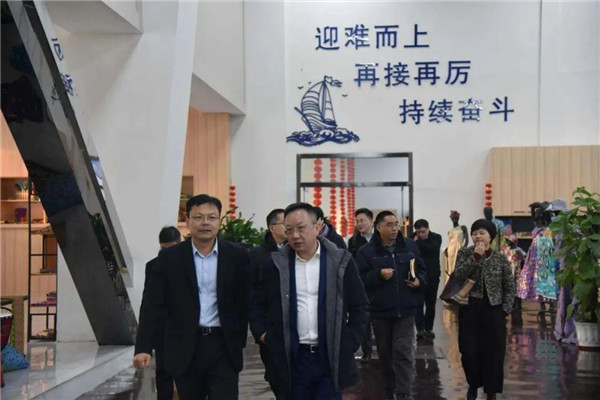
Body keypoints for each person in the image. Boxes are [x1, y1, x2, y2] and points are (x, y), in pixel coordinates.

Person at [133, 194, 250, 400]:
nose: (205, 223)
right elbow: (153, 305)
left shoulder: (237, 256)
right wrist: (143, 347)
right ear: (187, 221)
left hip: (223, 345)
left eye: (211, 217)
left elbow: (245, 299)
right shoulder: (169, 259)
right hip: (185, 346)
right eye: (198, 217)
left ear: (219, 221)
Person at [250, 202, 369, 400]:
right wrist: (265, 337)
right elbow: (256, 305)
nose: (295, 235)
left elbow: (360, 306)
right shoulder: (275, 265)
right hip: (292, 357)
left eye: (301, 228)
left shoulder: (340, 262)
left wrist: (350, 341)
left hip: (329, 357)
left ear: (318, 226)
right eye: (289, 230)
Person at [356, 210, 427, 400]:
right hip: (380, 312)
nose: (395, 228)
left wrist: (419, 281)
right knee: (386, 355)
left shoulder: (410, 246)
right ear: (378, 227)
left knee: (403, 351)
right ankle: (390, 390)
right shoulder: (366, 252)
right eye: (389, 225)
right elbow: (359, 279)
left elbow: (422, 269)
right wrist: (378, 275)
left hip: (406, 309)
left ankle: (404, 393)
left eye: (396, 224)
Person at [453, 219, 515, 400]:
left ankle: (491, 391)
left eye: (482, 233)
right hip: (469, 309)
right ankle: (473, 384)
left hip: (494, 310)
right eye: (475, 233)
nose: (478, 236)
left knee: (494, 354)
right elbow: (459, 275)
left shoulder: (500, 258)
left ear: (491, 237)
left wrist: (505, 309)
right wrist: (476, 256)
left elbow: (509, 286)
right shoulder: (465, 253)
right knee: (469, 352)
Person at [135, 226, 181, 400]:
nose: (168, 253)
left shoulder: (191, 263)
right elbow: (148, 304)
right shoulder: (153, 266)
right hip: (164, 330)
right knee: (164, 374)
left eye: (171, 248)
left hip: (187, 327)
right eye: (164, 248)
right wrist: (143, 346)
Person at [249, 208, 286, 381]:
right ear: (272, 228)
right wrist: (260, 331)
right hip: (270, 328)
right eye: (285, 223)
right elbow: (251, 292)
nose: (289, 227)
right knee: (275, 376)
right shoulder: (257, 254)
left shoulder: (296, 250)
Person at [347, 207, 375, 362]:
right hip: (362, 284)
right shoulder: (354, 241)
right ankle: (367, 351)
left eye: (363, 220)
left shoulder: (380, 238)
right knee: (365, 319)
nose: (360, 224)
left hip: (380, 283)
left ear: (371, 221)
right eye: (357, 221)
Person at [412, 219, 442, 340]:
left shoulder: (436, 237)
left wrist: (417, 242)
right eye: (418, 232)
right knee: (418, 304)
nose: (420, 234)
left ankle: (429, 328)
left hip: (432, 276)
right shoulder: (411, 238)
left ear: (428, 229)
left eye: (423, 232)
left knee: (431, 304)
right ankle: (420, 329)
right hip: (418, 276)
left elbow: (431, 249)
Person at [442, 210, 469, 283]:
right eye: (453, 218)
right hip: (451, 251)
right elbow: (450, 242)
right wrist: (447, 249)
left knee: (458, 268)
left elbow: (466, 240)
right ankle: (450, 286)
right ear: (451, 218)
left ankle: (458, 286)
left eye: (456, 218)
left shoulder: (463, 228)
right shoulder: (449, 231)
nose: (454, 220)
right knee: (451, 269)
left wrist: (463, 249)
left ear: (458, 218)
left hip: (459, 250)